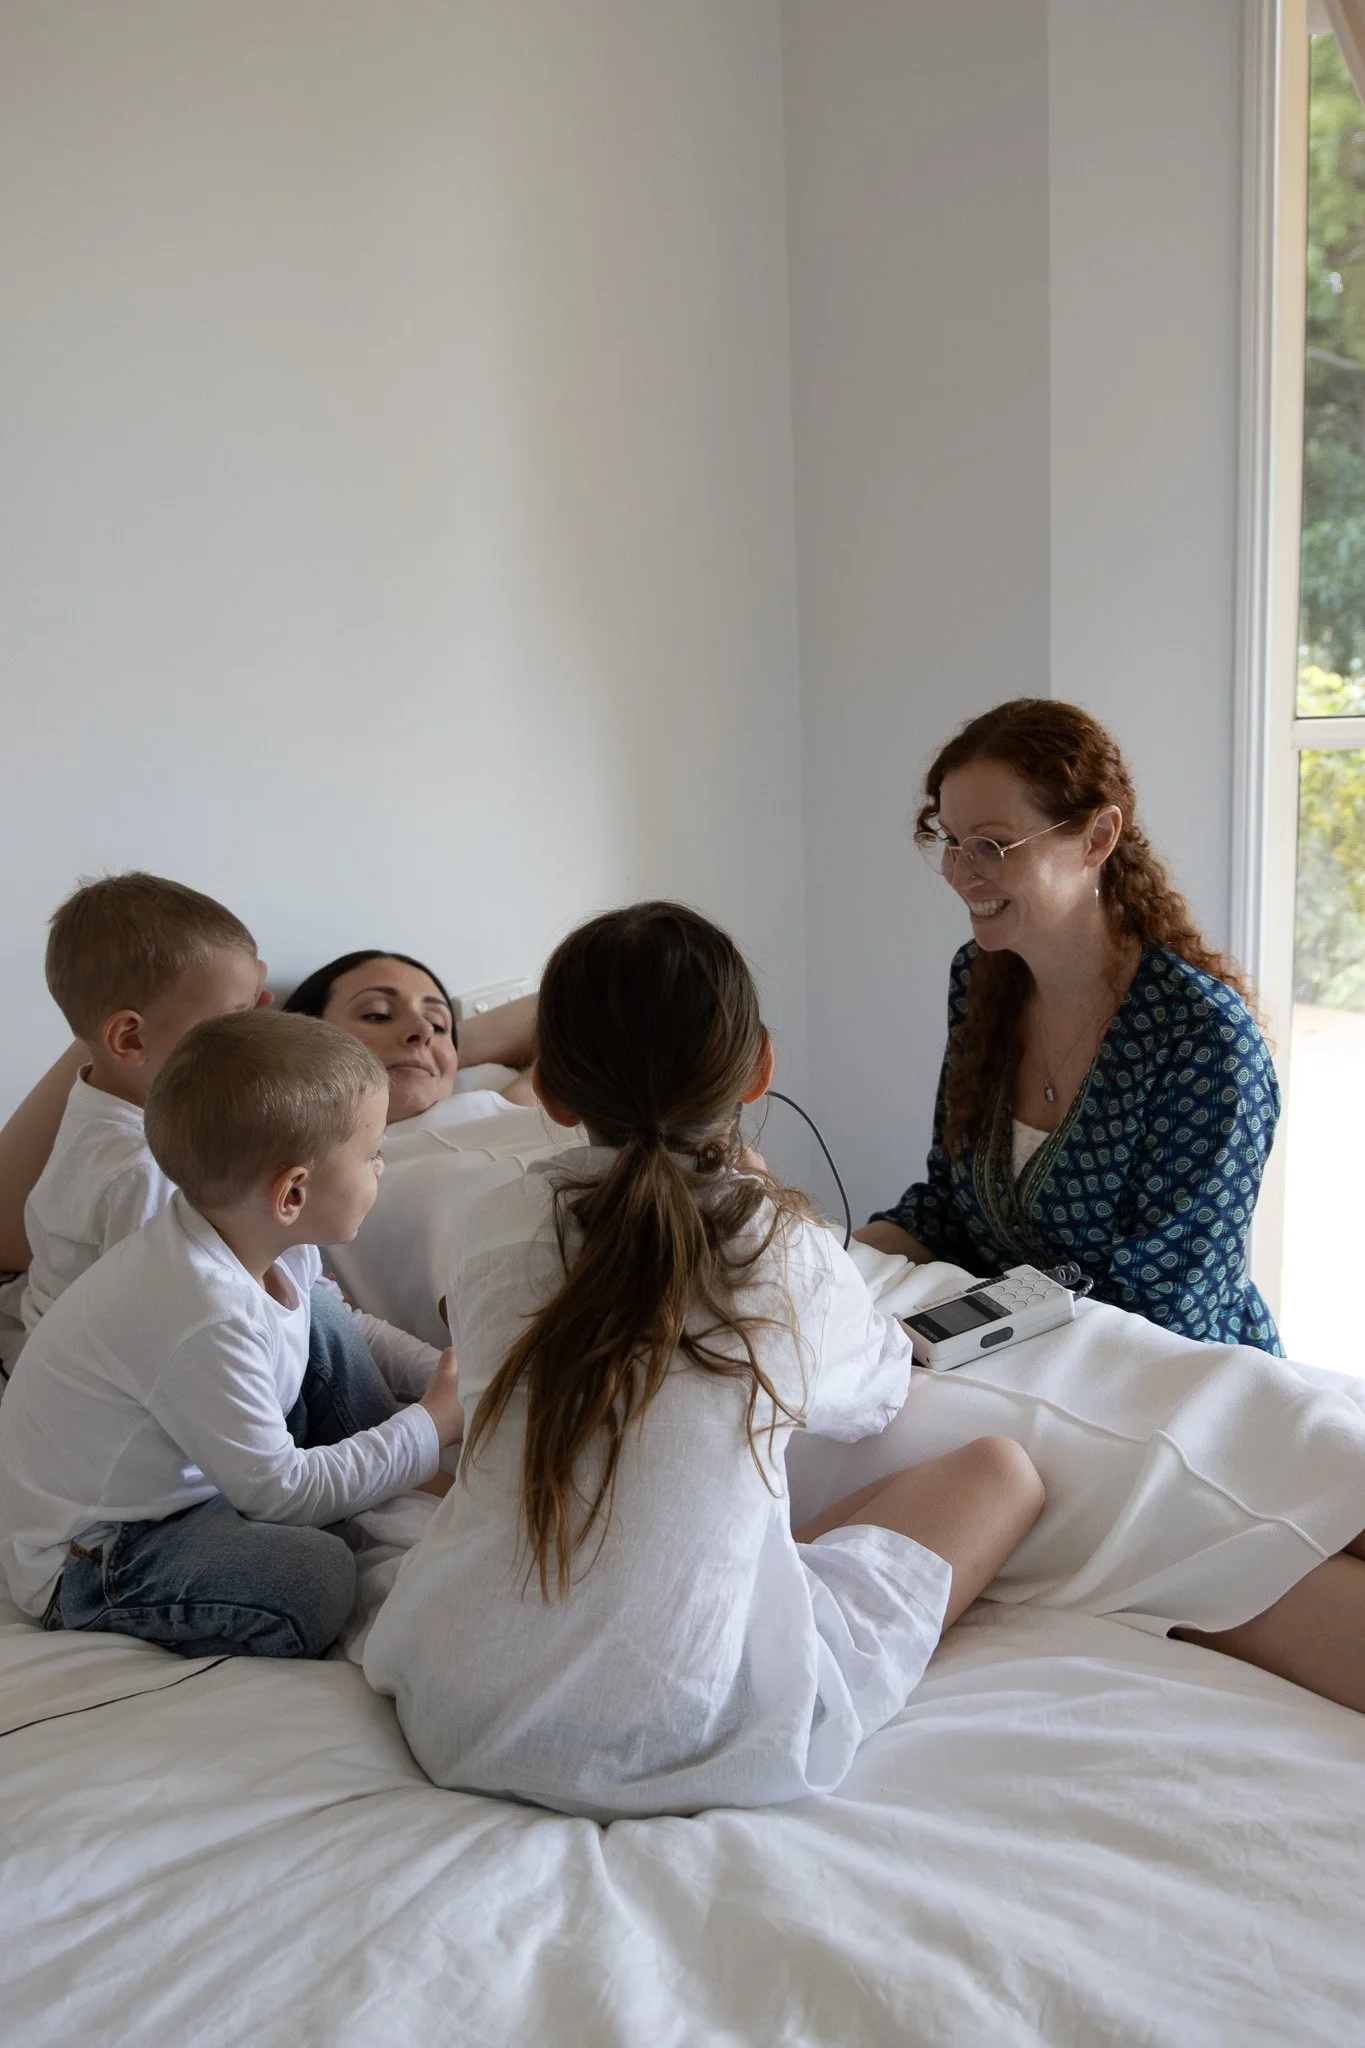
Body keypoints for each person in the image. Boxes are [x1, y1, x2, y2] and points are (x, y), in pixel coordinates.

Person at [363, 902, 1047, 1818]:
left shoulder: (493, 1227)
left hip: (458, 1707)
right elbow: (875, 1396)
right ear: (758, 1068)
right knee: (1002, 1473)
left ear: (555, 1093)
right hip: (688, 1734)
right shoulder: (788, 1251)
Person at [0, 1010, 465, 1657]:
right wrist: (431, 1427)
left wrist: (445, 1374)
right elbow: (279, 1493)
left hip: (198, 1468)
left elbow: (345, 1328)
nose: (381, 1169)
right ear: (292, 1194)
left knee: (324, 1315)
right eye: (372, 1154)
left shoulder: (258, 1236)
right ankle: (393, 1470)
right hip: (100, 1549)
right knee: (314, 1577)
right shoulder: (200, 1310)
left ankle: (403, 1474)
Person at [858, 699, 1282, 1352]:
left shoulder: (1205, 1047)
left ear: (1095, 838)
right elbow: (948, 1210)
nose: (960, 873)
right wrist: (812, 1259)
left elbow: (1164, 1318)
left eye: (992, 846)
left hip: (1168, 1398)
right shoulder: (978, 980)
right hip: (1014, 1374)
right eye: (947, 840)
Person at [284, 950, 577, 1347]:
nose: (422, 1027)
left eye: (438, 1022)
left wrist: (442, 1045)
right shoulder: (295, 1179)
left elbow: (586, 1005)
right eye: (376, 1014)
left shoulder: (502, 1107)